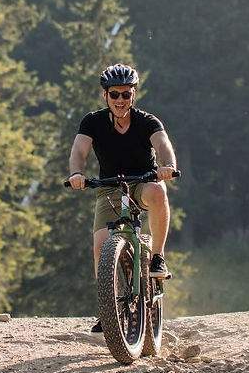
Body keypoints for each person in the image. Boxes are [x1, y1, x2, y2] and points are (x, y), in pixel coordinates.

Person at [68, 63, 178, 332]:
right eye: (114, 94)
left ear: (134, 95)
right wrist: (76, 173)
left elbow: (164, 146)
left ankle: (158, 256)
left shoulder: (147, 121)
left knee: (158, 192)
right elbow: (79, 151)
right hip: (109, 188)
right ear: (104, 95)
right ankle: (110, 310)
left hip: (142, 183)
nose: (120, 100)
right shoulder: (92, 122)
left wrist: (168, 165)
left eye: (126, 94)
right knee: (100, 245)